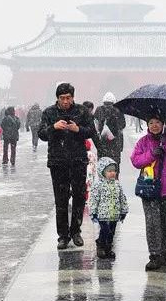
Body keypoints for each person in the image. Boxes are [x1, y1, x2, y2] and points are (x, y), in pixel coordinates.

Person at [38, 83, 96, 250]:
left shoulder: (81, 111)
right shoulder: (49, 112)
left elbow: (92, 131)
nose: (65, 101)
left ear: (73, 97)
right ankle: (63, 236)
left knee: (79, 197)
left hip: (78, 160)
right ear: (57, 98)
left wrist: (78, 129)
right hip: (58, 161)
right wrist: (53, 128)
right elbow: (41, 134)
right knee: (61, 200)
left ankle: (76, 231)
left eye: (68, 98)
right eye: (62, 98)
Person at [131, 114, 166, 272]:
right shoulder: (143, 142)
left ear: (163, 124)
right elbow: (135, 161)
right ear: (147, 124)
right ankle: (154, 256)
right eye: (151, 122)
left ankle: (165, 254)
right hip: (149, 189)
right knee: (152, 224)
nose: (154, 125)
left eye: (157, 122)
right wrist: (151, 154)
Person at [89, 157, 128, 259]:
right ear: (103, 172)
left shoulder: (117, 185)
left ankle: (108, 248)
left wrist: (124, 210)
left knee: (112, 233)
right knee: (105, 231)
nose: (112, 173)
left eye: (114, 171)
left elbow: (122, 198)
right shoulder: (98, 185)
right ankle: (100, 245)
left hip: (114, 214)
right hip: (102, 214)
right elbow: (94, 199)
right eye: (109, 171)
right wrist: (93, 211)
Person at [94, 92, 126, 173]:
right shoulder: (118, 110)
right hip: (115, 144)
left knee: (103, 166)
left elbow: (95, 124)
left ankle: (103, 183)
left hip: (102, 144)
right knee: (115, 167)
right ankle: (114, 182)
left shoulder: (99, 110)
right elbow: (123, 125)